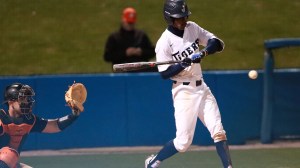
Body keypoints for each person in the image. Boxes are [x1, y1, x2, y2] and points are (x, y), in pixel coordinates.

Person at [145, 0, 233, 168]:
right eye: (179, 18)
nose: (183, 20)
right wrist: (183, 64)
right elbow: (164, 73)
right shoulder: (164, 42)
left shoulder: (192, 27)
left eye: (185, 16)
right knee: (183, 143)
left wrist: (204, 52)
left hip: (202, 87)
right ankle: (153, 162)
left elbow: (216, 43)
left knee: (219, 131)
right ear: (169, 18)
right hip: (183, 91)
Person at [0, 83, 81, 168]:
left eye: (27, 98)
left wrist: (74, 115)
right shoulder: (1, 119)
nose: (27, 102)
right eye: (22, 99)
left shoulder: (29, 120)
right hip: (4, 160)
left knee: (11, 157)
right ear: (11, 102)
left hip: (11, 163)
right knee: (8, 154)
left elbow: (55, 125)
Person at [103, 7, 157, 72]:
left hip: (142, 70)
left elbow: (152, 52)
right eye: (128, 22)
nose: (130, 25)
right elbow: (107, 56)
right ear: (123, 20)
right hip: (122, 71)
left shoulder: (141, 35)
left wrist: (141, 52)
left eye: (131, 23)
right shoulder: (114, 37)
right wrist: (125, 53)